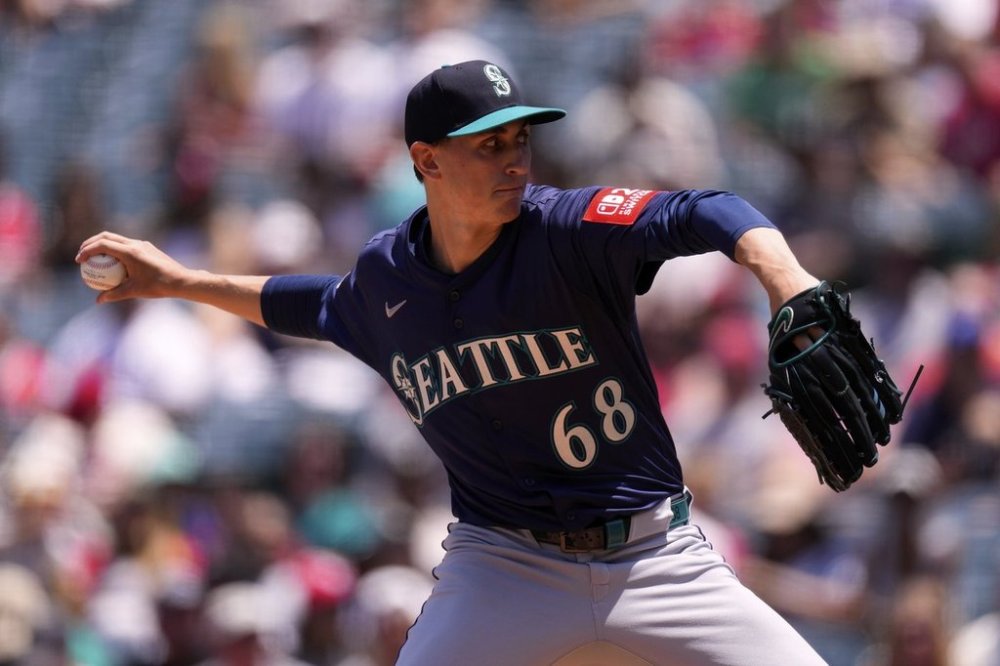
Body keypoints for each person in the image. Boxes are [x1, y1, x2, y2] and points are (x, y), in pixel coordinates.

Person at [78, 60, 828, 665]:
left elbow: (707, 210)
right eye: (488, 145)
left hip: (655, 554)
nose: (514, 161)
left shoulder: (565, 229)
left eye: (519, 141)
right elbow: (305, 302)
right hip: (504, 569)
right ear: (426, 160)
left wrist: (785, 277)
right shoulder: (388, 281)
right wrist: (176, 281)